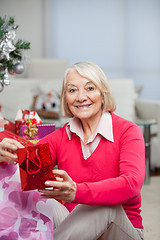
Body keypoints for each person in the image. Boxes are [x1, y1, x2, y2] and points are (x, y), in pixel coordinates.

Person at [0, 62, 145, 240]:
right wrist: (4, 154)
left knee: (104, 206)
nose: (81, 97)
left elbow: (132, 184)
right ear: (65, 98)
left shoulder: (128, 131)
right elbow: (27, 166)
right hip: (74, 229)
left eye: (90, 88)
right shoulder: (60, 136)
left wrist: (77, 191)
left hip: (119, 230)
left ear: (103, 93)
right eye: (72, 90)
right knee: (35, 195)